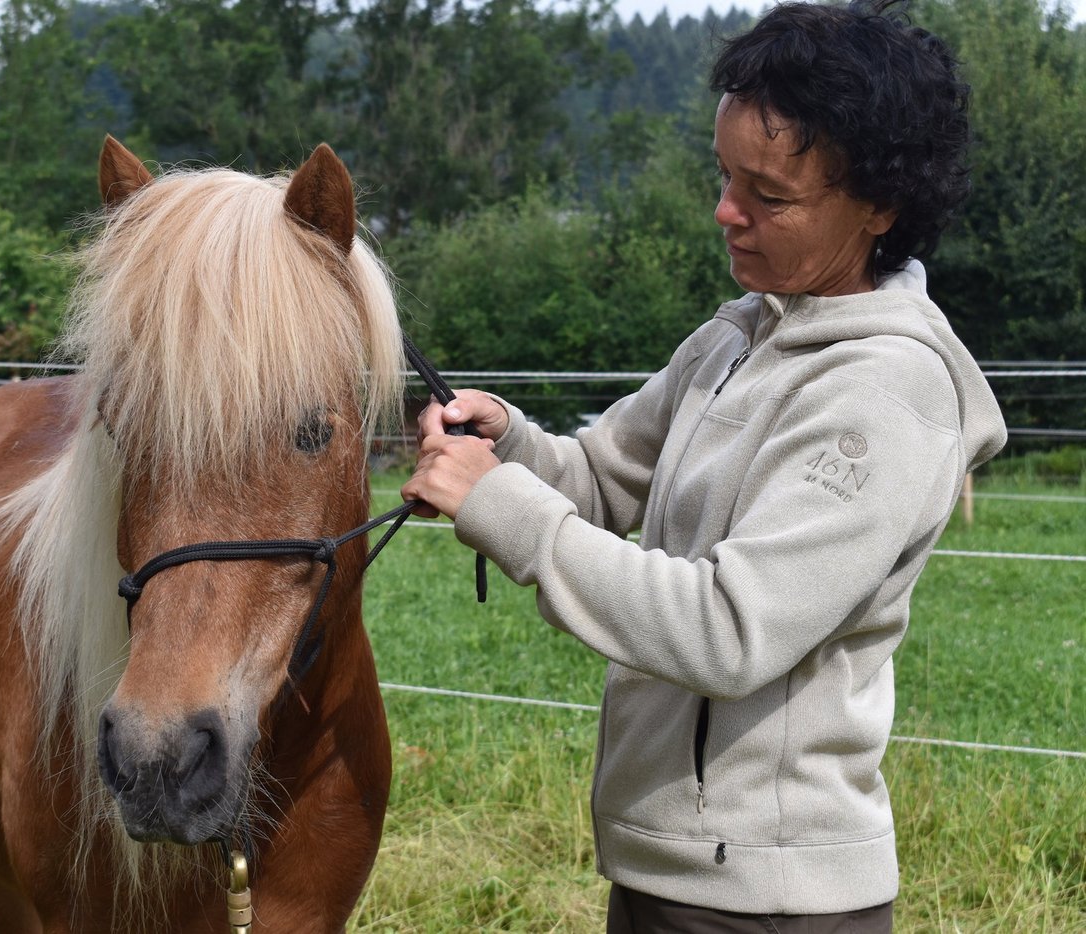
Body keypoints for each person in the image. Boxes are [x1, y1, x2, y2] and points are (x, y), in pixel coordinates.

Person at [400, 1, 1008, 930]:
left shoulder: (884, 397)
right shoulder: (738, 335)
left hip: (768, 901)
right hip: (675, 872)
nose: (726, 212)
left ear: (881, 205)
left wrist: (503, 508)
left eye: (769, 197)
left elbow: (728, 631)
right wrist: (508, 443)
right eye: (724, 177)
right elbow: (602, 479)